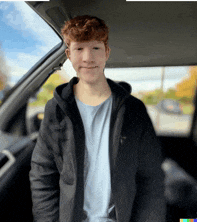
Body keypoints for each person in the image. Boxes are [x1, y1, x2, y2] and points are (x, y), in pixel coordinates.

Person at [29, 15, 166, 222]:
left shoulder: (134, 110)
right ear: (68, 54)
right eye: (79, 49)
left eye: (95, 48)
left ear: (106, 53)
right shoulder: (56, 110)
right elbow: (42, 176)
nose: (87, 58)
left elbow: (152, 179)